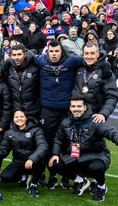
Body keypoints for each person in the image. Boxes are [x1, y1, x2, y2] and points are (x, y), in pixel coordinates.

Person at [49, 97, 118, 202]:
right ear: (70, 108)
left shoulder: (95, 121)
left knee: (96, 167)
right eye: (73, 106)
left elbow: (111, 132)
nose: (76, 109)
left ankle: (101, 186)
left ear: (85, 107)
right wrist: (55, 154)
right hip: (77, 156)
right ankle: (81, 181)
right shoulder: (66, 122)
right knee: (55, 163)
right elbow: (58, 139)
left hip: (96, 156)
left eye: (79, 106)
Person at [35, 40, 84, 188]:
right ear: (47, 51)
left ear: (61, 51)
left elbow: (92, 59)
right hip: (47, 110)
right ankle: (48, 173)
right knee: (47, 142)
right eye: (51, 51)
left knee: (69, 143)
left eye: (57, 51)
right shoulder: (40, 61)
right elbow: (24, 57)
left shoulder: (71, 61)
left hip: (66, 110)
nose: (54, 54)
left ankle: (67, 174)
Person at [0, 110, 48, 198]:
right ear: (13, 119)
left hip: (34, 161)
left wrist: (32, 159)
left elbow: (43, 146)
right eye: (16, 117)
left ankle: (34, 185)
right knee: (5, 177)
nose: (19, 119)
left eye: (22, 116)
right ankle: (24, 176)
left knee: (41, 160)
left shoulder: (36, 130)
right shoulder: (9, 133)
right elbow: (3, 150)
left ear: (26, 118)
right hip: (18, 161)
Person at [72, 43, 118, 122]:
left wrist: (103, 114)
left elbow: (112, 96)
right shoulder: (78, 67)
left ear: (98, 54)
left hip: (94, 117)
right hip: (75, 115)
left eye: (92, 53)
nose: (89, 56)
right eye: (86, 53)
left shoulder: (105, 71)